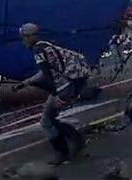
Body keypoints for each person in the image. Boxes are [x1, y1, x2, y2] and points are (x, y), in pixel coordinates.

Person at [13, 23, 91, 165]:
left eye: (23, 37)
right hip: (70, 84)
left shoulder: (38, 51)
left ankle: (62, 152)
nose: (23, 41)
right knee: (52, 120)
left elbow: (46, 76)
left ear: (31, 36)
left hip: (64, 88)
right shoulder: (47, 46)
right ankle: (77, 140)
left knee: (46, 122)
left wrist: (59, 96)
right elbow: (46, 72)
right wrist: (26, 83)